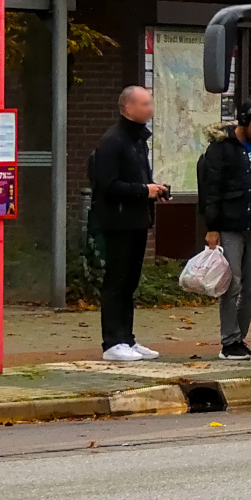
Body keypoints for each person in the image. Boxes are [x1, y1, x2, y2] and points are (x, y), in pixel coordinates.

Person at [89, 86, 168, 363]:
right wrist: (142, 191)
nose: (150, 108)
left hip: (136, 220)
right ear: (127, 108)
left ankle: (127, 339)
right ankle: (112, 342)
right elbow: (107, 185)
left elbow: (138, 179)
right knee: (116, 281)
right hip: (118, 221)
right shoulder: (113, 141)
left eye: (151, 103)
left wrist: (155, 190)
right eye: (144, 104)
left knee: (129, 282)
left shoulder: (137, 141)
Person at [199, 99, 251, 360]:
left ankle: (239, 338)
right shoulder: (221, 149)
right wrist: (212, 228)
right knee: (232, 285)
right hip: (230, 224)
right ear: (244, 121)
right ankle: (229, 341)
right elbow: (211, 190)